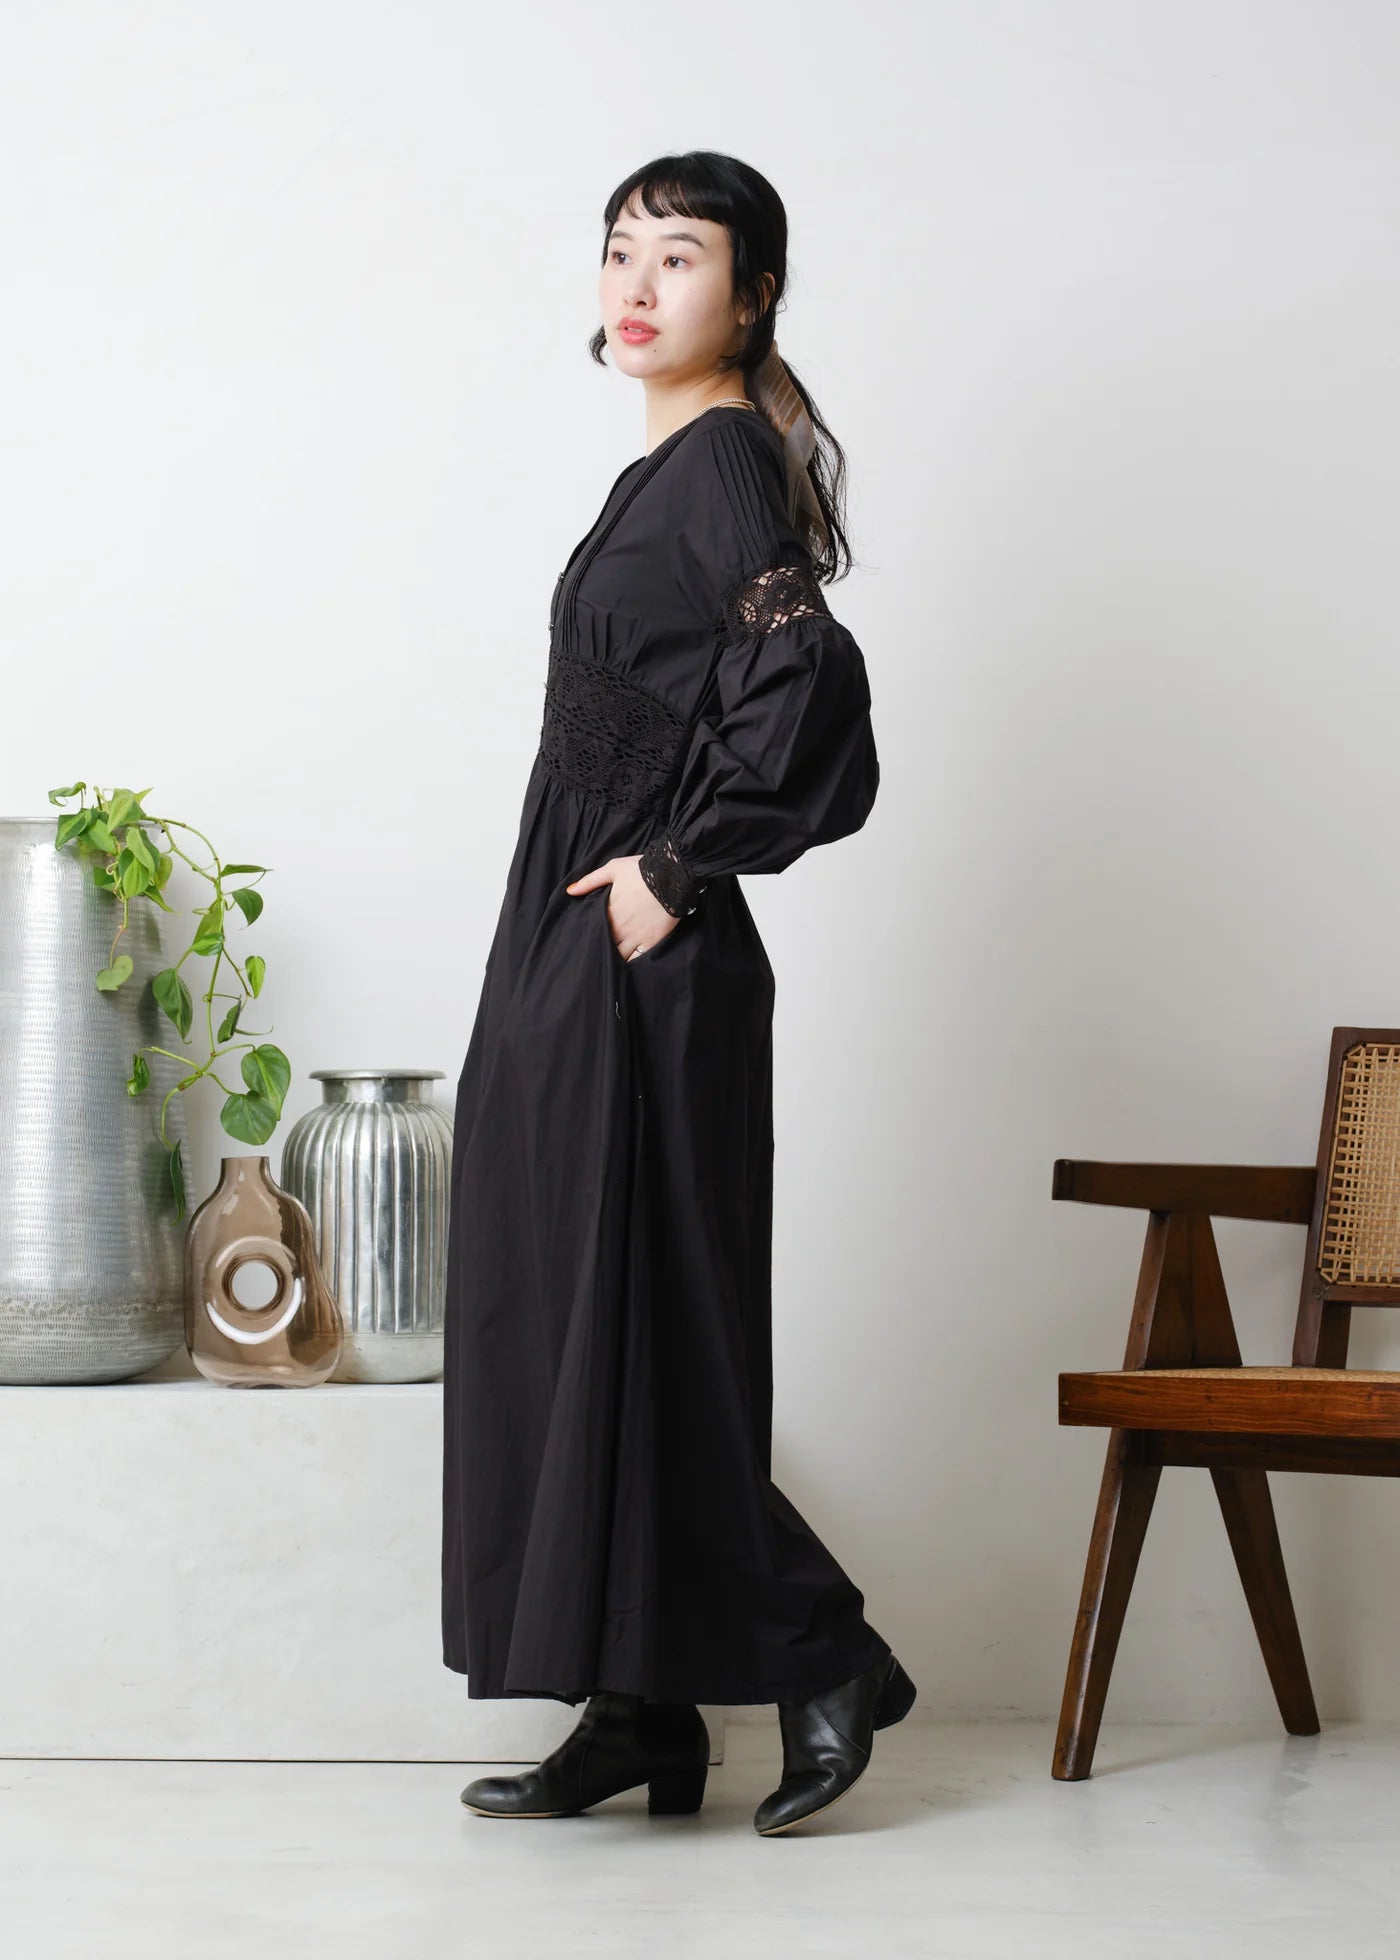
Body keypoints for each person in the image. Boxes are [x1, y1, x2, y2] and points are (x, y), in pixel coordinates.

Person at [443, 150, 914, 1836]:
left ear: (754, 294)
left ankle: (828, 1658)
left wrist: (678, 867)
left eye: (681, 257)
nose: (637, 286)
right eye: (619, 252)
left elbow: (809, 684)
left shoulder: (719, 464)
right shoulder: (670, 466)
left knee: (652, 1331)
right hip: (573, 932)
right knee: (578, 1317)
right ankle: (639, 1712)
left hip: (644, 952)